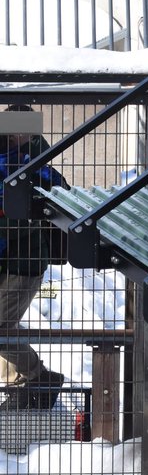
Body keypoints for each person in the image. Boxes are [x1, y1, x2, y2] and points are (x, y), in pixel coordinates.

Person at [0, 104, 66, 411]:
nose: (17, 134)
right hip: (9, 256)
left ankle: (38, 377)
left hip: (24, 262)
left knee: (1, 329)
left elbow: (62, 195)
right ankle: (17, 382)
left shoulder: (39, 165)